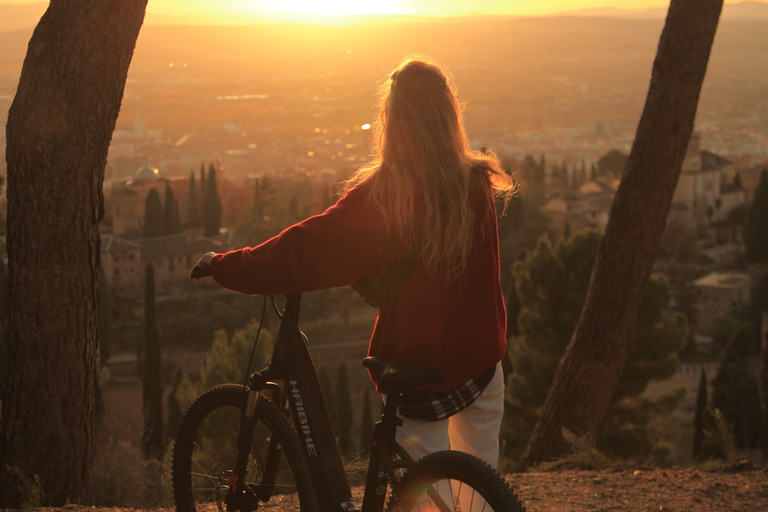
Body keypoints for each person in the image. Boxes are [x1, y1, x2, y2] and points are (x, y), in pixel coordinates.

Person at [191, 55, 514, 468]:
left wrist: (225, 264)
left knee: (423, 495)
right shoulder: (478, 183)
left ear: (391, 121)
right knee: (481, 486)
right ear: (449, 114)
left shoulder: (382, 196)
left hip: (415, 369)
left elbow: (304, 250)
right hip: (482, 364)